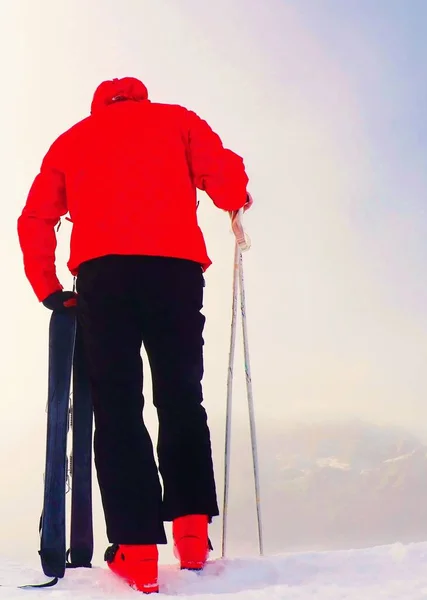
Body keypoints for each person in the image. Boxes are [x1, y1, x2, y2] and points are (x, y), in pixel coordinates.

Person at [17, 76, 252, 594]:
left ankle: (137, 551)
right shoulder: (180, 122)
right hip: (176, 272)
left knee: (119, 405)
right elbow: (226, 179)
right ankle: (192, 536)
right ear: (142, 98)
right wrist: (236, 196)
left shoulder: (73, 139)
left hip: (105, 276)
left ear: (100, 104)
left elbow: (35, 218)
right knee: (181, 396)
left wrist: (50, 290)